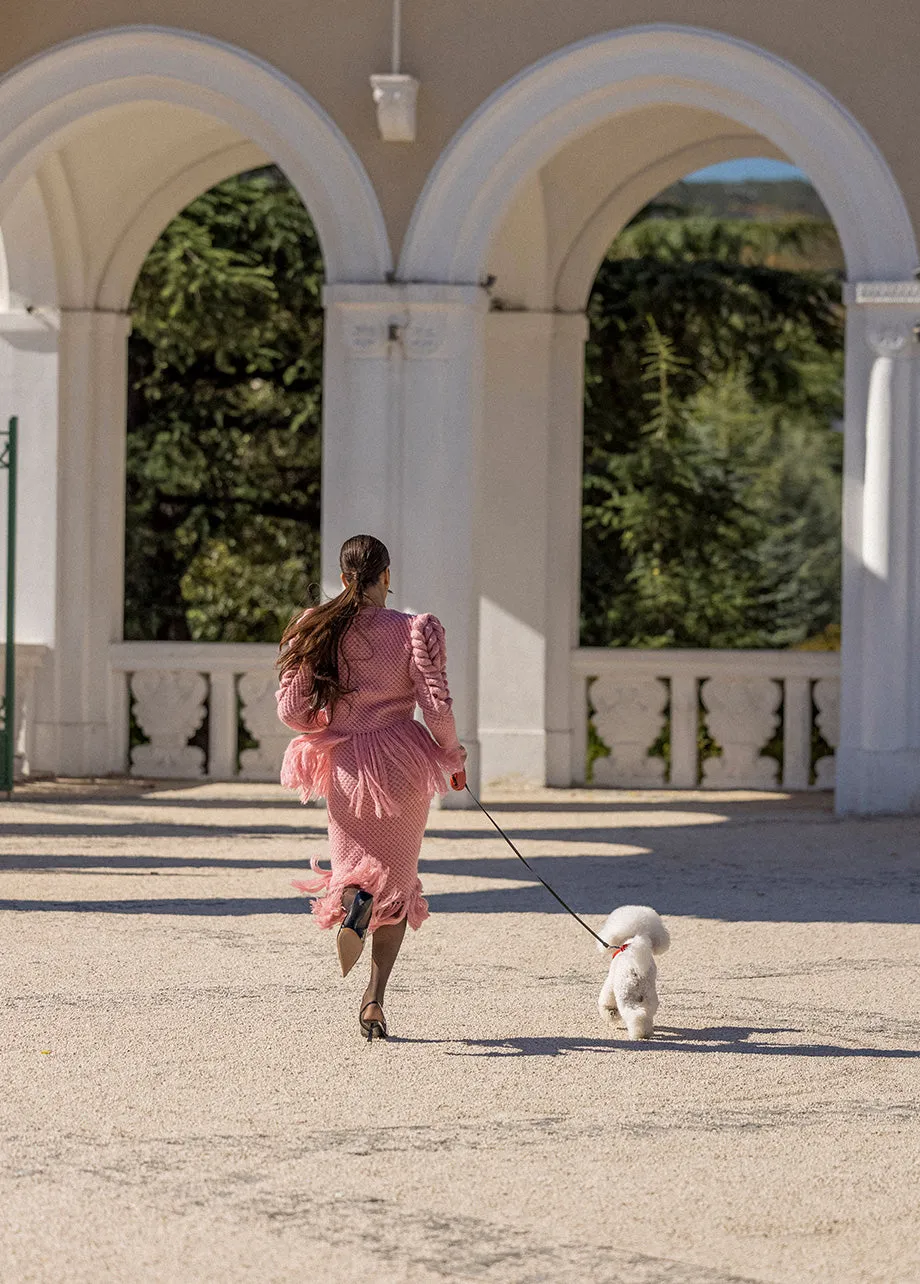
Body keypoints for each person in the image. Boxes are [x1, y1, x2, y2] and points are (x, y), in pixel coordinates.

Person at [276, 534, 467, 1040]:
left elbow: (290, 712)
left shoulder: (317, 628)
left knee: (354, 869)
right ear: (386, 576)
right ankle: (374, 1000)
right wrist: (451, 756)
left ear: (343, 579)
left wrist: (332, 718)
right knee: (399, 886)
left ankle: (355, 905)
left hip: (348, 764)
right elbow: (437, 706)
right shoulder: (414, 630)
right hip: (404, 761)